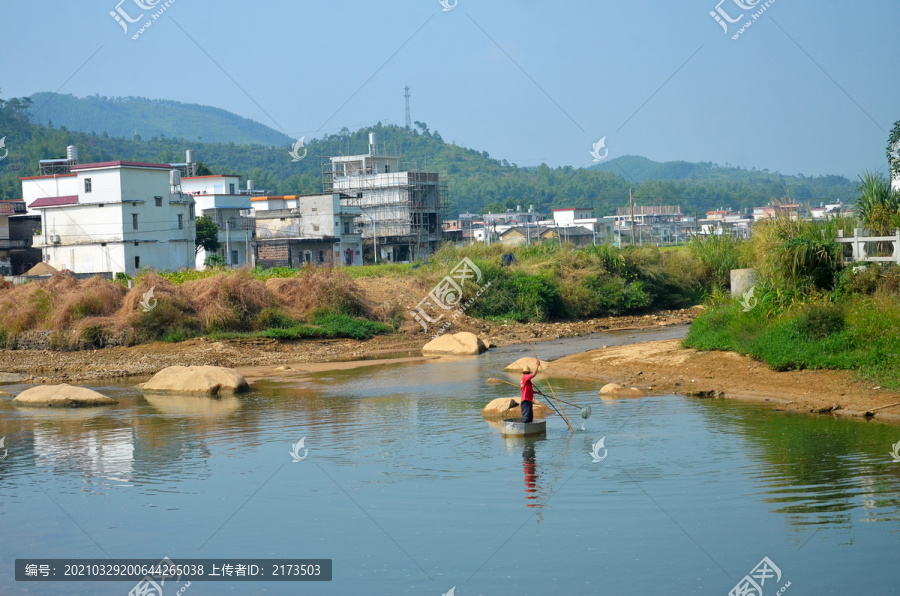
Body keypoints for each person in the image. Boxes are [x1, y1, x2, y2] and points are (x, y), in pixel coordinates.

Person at [520, 358, 539, 423]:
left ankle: (529, 430)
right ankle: (524, 430)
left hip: (528, 401)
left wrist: (536, 392)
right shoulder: (525, 377)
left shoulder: (526, 380)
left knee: (530, 418)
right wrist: (537, 365)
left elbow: (527, 390)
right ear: (527, 373)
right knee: (526, 418)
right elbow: (533, 374)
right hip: (526, 401)